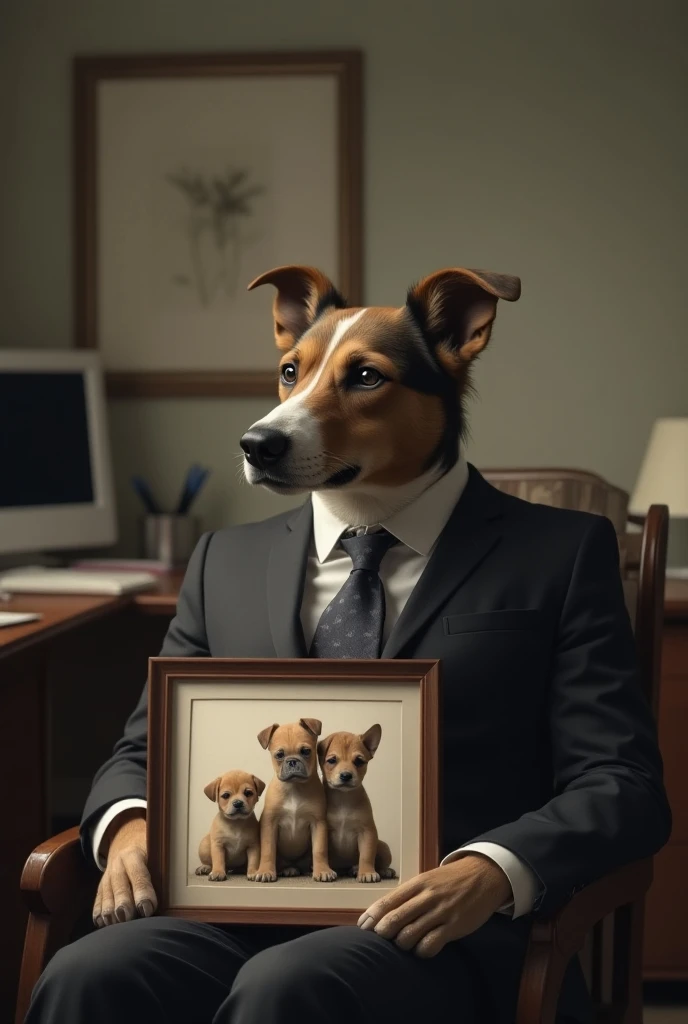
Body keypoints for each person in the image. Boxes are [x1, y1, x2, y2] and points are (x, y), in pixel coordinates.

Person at [26, 266, 671, 1024]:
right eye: (293, 375)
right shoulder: (223, 561)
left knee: (289, 989)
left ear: (459, 349)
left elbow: (621, 784)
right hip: (238, 910)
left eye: (361, 378)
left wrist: (491, 872)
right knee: (85, 975)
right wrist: (130, 828)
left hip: (446, 933)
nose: (291, 415)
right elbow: (139, 754)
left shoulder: (560, 555)